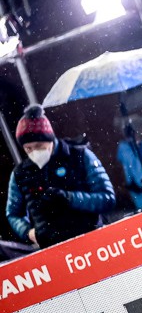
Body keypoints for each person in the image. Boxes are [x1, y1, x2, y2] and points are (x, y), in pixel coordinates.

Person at [6, 105, 116, 248]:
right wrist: (28, 232)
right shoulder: (20, 174)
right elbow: (13, 214)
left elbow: (107, 198)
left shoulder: (80, 156)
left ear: (50, 139)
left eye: (39, 146)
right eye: (28, 148)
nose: (34, 152)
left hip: (92, 239)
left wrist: (70, 198)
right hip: (53, 247)